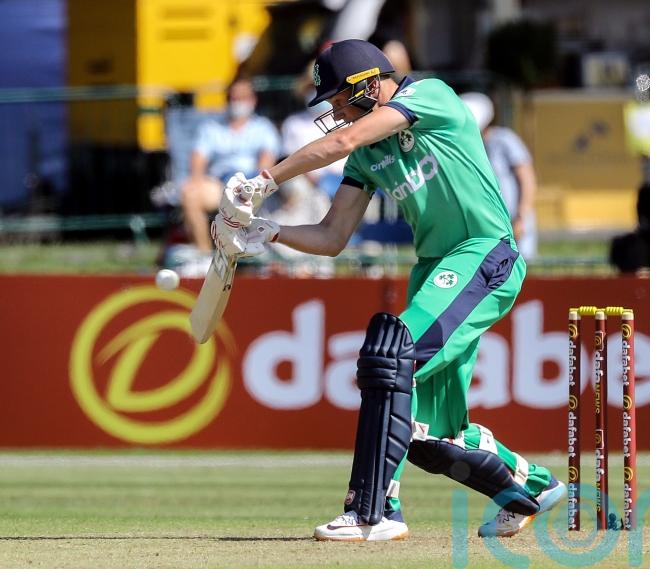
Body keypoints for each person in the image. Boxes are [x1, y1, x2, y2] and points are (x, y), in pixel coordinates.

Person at [211, 39, 564, 541]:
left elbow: (339, 143)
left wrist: (262, 181)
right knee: (428, 435)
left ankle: (374, 511)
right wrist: (266, 233)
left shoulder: (431, 96)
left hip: (483, 252)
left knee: (390, 360)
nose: (334, 112)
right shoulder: (369, 154)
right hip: (434, 266)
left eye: (338, 99)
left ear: (370, 84)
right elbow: (332, 237)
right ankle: (528, 486)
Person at [180, 77, 280, 257]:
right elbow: (197, 162)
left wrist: (248, 189)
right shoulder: (210, 128)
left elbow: (266, 166)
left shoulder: (264, 128)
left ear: (253, 100)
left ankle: (260, 252)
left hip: (252, 185)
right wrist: (197, 180)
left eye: (243, 98)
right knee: (190, 194)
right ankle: (204, 255)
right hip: (220, 185)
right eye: (234, 98)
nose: (239, 103)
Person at [460, 92, 538, 260]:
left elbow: (527, 179)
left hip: (514, 219)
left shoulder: (504, 139)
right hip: (486, 225)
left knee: (520, 269)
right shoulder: (464, 147)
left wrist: (521, 216)